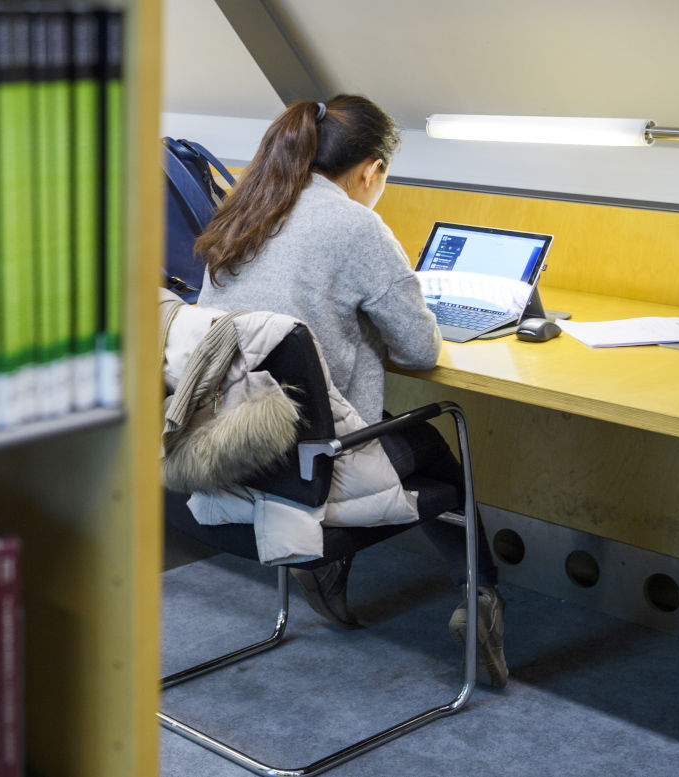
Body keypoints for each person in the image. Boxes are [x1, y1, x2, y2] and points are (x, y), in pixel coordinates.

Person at [194, 94, 508, 687]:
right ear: (371, 170)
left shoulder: (245, 210)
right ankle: (481, 595)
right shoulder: (357, 226)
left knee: (384, 427)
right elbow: (420, 351)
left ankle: (329, 572)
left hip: (225, 450)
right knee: (441, 452)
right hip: (308, 463)